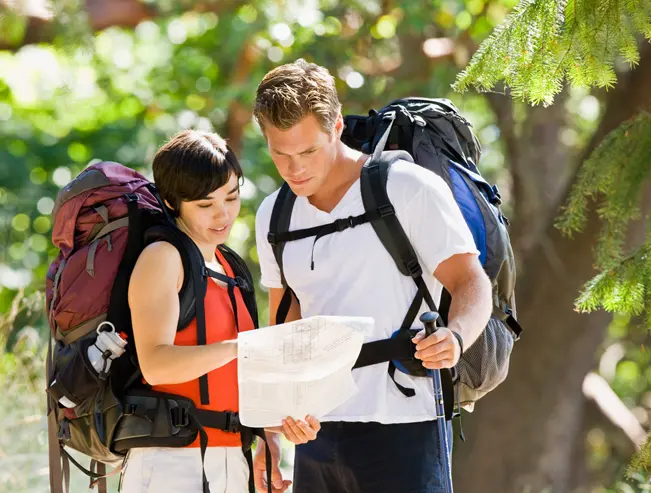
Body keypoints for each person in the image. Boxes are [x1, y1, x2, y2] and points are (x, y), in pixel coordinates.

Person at [252, 60, 493, 493]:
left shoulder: (405, 188)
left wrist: (455, 337)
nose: (294, 169)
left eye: (308, 151)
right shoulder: (275, 213)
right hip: (317, 434)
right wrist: (270, 434)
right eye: (279, 153)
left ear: (337, 127)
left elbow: (471, 283)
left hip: (405, 422)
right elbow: (284, 327)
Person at [122, 130, 320, 493]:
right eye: (205, 204)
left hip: (232, 458)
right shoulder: (163, 258)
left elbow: (236, 378)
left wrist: (271, 435)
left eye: (231, 197)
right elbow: (155, 363)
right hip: (170, 461)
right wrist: (242, 348)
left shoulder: (231, 266)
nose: (223, 214)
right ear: (171, 201)